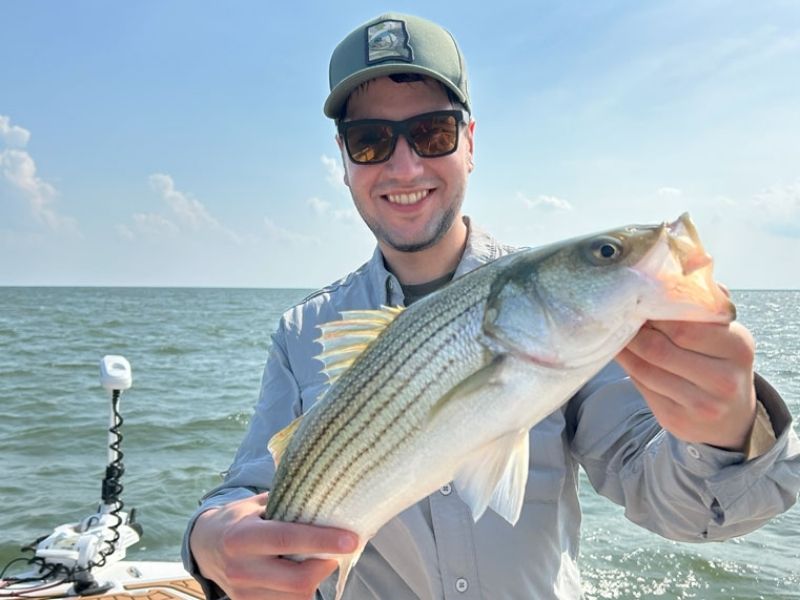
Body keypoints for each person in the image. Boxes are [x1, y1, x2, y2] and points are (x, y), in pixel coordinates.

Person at [183, 12, 800, 600]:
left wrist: (724, 434)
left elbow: (685, 506)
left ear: (469, 142)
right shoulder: (302, 332)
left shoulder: (587, 331)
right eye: (369, 141)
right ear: (343, 161)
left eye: (432, 132)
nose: (405, 164)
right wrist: (208, 542)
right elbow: (246, 493)